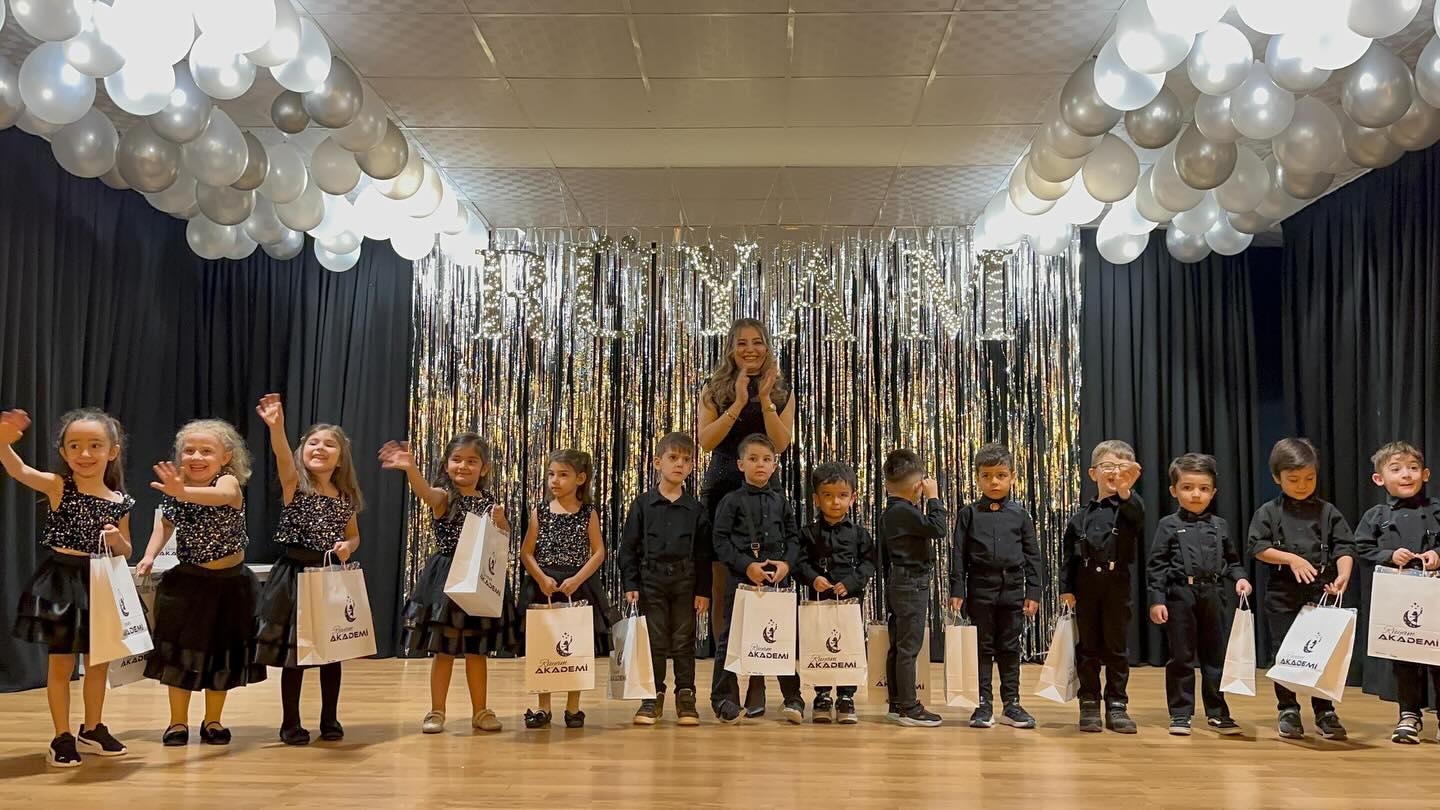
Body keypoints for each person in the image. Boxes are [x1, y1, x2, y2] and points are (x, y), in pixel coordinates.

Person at [4, 408, 134, 767]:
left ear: (112, 451)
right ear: (63, 452)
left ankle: (92, 729)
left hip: (101, 583)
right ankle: (61, 735)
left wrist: (117, 541)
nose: (85, 453)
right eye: (74, 445)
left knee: (98, 664)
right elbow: (19, 470)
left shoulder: (120, 502)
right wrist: (3, 443)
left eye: (95, 445)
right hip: (62, 583)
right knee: (61, 664)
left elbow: (127, 548)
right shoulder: (60, 486)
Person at [138, 419, 267, 747]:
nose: (196, 456)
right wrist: (150, 555)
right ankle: (177, 722)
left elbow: (222, 497)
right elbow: (165, 524)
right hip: (189, 584)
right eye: (189, 450)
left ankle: (213, 720)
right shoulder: (177, 490)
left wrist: (182, 492)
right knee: (180, 655)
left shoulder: (228, 482)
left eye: (206, 451)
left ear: (225, 457)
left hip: (230, 585)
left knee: (221, 654)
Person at [696, 318, 796, 718]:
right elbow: (706, 441)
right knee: (725, 592)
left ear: (767, 346)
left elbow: (781, 443)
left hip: (765, 492)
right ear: (731, 348)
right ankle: (727, 685)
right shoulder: (714, 388)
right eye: (741, 343)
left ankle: (757, 680)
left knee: (762, 589)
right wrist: (738, 401)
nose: (749, 349)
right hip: (723, 489)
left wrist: (765, 399)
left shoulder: (782, 389)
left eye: (757, 342)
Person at [379, 433, 511, 734]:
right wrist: (411, 469)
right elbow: (425, 493)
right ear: (447, 464)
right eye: (456, 459)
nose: (463, 466)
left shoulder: (490, 502)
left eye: (471, 461)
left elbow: (501, 538)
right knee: (444, 650)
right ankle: (437, 710)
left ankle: (481, 711)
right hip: (448, 578)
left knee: (477, 650)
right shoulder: (444, 496)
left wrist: (502, 522)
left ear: (484, 468)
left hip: (479, 578)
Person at [253, 394, 363, 745]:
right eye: (313, 442)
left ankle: (330, 718)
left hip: (329, 576)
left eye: (329, 444)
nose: (320, 448)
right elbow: (282, 456)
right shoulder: (295, 485)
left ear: (341, 457)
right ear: (303, 450)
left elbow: (354, 535)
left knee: (332, 653)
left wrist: (348, 546)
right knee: (295, 655)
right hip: (294, 576)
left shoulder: (345, 497)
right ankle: (290, 722)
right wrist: (277, 428)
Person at [1248, 437, 1353, 741]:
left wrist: (1343, 575)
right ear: (1276, 477)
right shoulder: (1269, 511)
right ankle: (1288, 708)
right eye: (1293, 480)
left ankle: (1325, 710)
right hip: (1282, 591)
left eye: (1309, 478)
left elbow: (1345, 547)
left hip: (1322, 591)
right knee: (1285, 651)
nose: (1302, 485)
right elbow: (1257, 547)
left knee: (1324, 652)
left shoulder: (1327, 511)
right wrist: (1291, 559)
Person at [1145, 453, 1250, 737]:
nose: (1195, 494)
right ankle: (1180, 713)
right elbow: (1157, 566)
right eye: (1187, 487)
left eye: (1203, 488)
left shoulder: (1220, 525)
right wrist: (1157, 600)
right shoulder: (1168, 524)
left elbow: (1232, 561)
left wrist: (1240, 578)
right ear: (1174, 490)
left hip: (1214, 594)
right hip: (1180, 595)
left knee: (1215, 655)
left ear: (1213, 492)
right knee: (1181, 655)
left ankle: (1217, 712)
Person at [709, 433, 804, 724]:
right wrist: (746, 565)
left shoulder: (781, 502)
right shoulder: (730, 501)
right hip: (741, 581)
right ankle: (723, 699)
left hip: (777, 583)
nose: (760, 464)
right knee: (731, 639)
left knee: (781, 639)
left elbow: (794, 539)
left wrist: (786, 565)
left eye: (766, 459)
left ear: (775, 465)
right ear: (741, 465)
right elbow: (720, 540)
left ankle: (793, 698)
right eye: (753, 459)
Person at [620, 432, 712, 727]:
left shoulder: (696, 509)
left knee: (684, 641)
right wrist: (631, 584)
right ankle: (652, 696)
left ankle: (686, 696)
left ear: (692, 467)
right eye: (673, 458)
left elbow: (703, 554)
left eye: (686, 460)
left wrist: (703, 590)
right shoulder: (642, 505)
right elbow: (628, 548)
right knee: (655, 640)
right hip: (651, 580)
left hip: (685, 581)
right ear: (658, 462)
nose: (679, 465)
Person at [948, 443, 1042, 730]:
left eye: (1001, 475)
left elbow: (1033, 555)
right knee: (982, 646)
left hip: (1012, 588)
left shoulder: (1021, 514)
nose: (994, 482)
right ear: (977, 478)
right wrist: (957, 589)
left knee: (1010, 646)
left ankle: (1012, 704)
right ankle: (983, 704)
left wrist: (1033, 591)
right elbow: (958, 554)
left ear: (1013, 476)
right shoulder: (968, 514)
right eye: (986, 476)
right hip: (980, 587)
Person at [1353, 440, 1440, 744]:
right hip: (1398, 597)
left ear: (1425, 474)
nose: (1406, 474)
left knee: (1438, 657)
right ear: (1380, 479)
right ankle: (1409, 714)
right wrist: (1389, 555)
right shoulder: (1376, 516)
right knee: (1404, 659)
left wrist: (1437, 555)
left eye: (1413, 468)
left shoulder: (1437, 510)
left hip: (1435, 595)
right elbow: (1361, 548)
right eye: (1397, 469)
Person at [519, 449, 613, 729]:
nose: (555, 481)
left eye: (562, 475)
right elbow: (526, 552)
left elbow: (599, 552)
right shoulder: (540, 511)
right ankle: (543, 707)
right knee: (544, 646)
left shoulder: (587, 513)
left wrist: (578, 579)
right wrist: (541, 578)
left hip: (577, 586)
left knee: (576, 647)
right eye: (551, 474)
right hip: (545, 586)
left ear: (580, 479)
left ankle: (573, 707)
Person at [1060, 439, 1144, 734]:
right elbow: (1068, 557)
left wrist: (1126, 491)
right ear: (1093, 473)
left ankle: (1117, 704)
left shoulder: (1129, 508)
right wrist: (1066, 588)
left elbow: (1138, 515)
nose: (1114, 472)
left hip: (1116, 586)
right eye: (1108, 466)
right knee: (1088, 647)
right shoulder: (1080, 516)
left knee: (1116, 648)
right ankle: (1089, 702)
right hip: (1086, 587)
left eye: (1122, 467)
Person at [799, 461, 875, 725]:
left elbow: (869, 563)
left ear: (852, 498)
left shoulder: (860, 534)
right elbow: (799, 563)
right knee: (819, 644)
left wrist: (852, 582)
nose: (835, 502)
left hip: (849, 601)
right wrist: (813, 578)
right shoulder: (808, 533)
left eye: (842, 495)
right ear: (816, 499)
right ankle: (821, 696)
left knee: (848, 645)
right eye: (828, 496)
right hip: (819, 599)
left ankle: (846, 696)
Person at [879, 448, 947, 728]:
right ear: (917, 485)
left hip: (898, 581)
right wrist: (934, 498)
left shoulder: (889, 513)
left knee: (898, 645)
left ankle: (897, 703)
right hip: (911, 583)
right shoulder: (905, 511)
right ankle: (909, 707)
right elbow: (938, 528)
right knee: (908, 647)